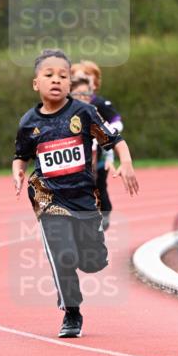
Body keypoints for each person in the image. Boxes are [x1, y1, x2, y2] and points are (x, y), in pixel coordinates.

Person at [12, 49, 139, 338]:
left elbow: (115, 141)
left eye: (63, 76)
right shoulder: (29, 123)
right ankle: (71, 312)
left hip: (83, 197)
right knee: (63, 254)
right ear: (36, 84)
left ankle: (91, 254)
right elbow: (20, 155)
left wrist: (126, 163)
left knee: (93, 263)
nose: (56, 80)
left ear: (70, 84)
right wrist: (17, 170)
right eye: (49, 75)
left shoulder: (83, 112)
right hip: (48, 197)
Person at [71, 60, 124, 230]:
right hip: (76, 159)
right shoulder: (67, 104)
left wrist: (104, 134)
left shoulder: (99, 104)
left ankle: (104, 213)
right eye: (78, 78)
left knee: (99, 186)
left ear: (95, 81)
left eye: (87, 78)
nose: (84, 82)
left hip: (99, 157)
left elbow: (117, 122)